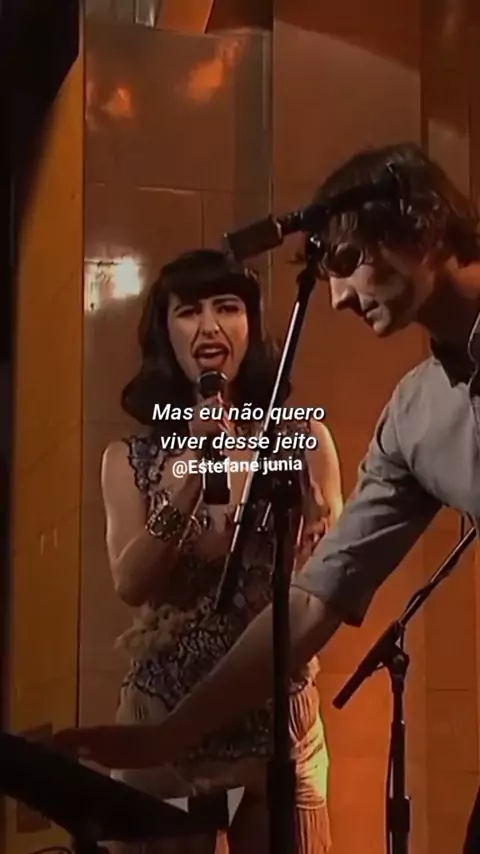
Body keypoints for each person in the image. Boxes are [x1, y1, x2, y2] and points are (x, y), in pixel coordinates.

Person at [53, 141, 480, 848]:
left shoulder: (301, 439)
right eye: (189, 311)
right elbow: (314, 597)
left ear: (421, 225)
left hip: (282, 732)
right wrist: (170, 733)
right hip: (176, 706)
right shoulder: (415, 418)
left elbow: (320, 542)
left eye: (349, 261)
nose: (338, 297)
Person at [74, 248, 343, 854]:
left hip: (278, 720)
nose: (210, 326)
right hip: (163, 714)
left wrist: (313, 526)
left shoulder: (303, 440)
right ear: (164, 332)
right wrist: (193, 470)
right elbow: (132, 583)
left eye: (228, 308)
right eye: (189, 311)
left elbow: (329, 580)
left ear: (251, 323)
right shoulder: (131, 459)